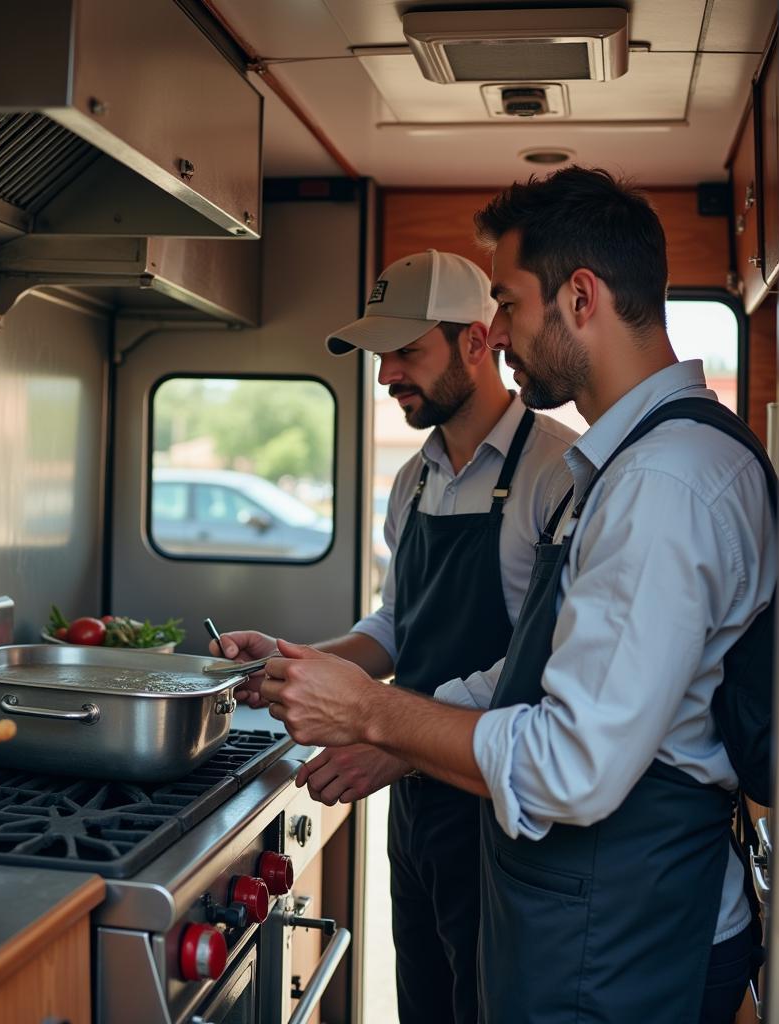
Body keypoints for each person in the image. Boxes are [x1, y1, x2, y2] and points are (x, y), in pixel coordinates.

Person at [252, 168, 777, 1024]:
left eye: (508, 304)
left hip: (627, 935)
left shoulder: (664, 483)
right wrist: (349, 693)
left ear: (580, 298)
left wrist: (379, 719)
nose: (496, 332)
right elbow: (532, 671)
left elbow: (572, 763)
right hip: (577, 912)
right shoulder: (617, 469)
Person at [212, 248, 576, 1024]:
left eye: (406, 353)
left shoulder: (557, 470)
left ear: (478, 342)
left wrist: (400, 735)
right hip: (410, 801)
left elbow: (542, 662)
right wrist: (291, 658)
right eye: (383, 357)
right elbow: (394, 627)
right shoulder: (414, 479)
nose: (386, 378)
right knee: (426, 1002)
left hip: (494, 799)